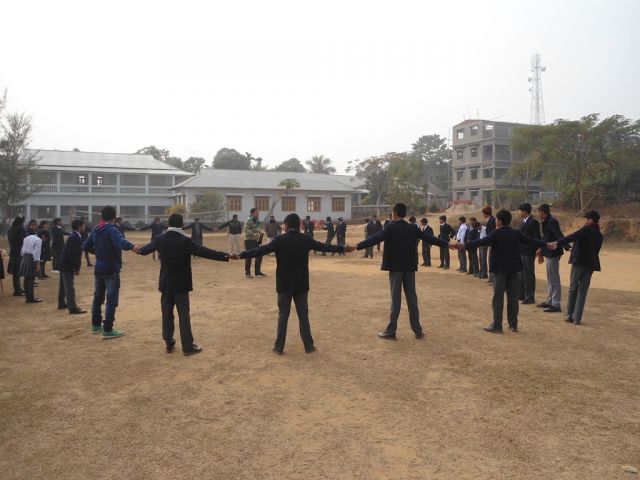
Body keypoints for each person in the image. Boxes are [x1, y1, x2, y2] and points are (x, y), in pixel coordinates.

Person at [239, 213, 354, 354]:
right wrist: (343, 248)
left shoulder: (279, 240)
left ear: (286, 225)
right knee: (303, 316)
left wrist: (241, 255)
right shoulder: (305, 239)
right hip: (301, 284)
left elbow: (260, 250)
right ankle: (309, 346)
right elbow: (324, 247)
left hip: (284, 284)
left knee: (283, 316)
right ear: (299, 225)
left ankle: (279, 347)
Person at [138, 213, 237, 355]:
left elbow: (144, 250)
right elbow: (204, 251)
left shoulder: (160, 239)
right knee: (183, 315)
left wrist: (135, 248)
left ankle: (168, 342)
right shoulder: (184, 240)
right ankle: (187, 346)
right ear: (182, 224)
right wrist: (225, 255)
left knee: (167, 314)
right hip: (181, 283)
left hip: (166, 283)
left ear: (168, 224)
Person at [356, 203, 452, 340]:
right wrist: (447, 244)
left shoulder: (391, 228)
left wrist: (357, 246)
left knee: (396, 299)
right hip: (409, 267)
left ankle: (391, 331)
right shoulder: (412, 228)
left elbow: (375, 239)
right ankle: (417, 330)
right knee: (412, 298)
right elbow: (429, 238)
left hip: (396, 268)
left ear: (394, 213)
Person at [458, 209, 548, 333]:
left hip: (499, 270)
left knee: (498, 298)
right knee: (513, 298)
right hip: (514, 269)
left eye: (496, 220)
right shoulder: (516, 233)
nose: (495, 221)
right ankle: (513, 324)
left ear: (499, 221)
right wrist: (546, 244)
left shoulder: (496, 233)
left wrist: (464, 245)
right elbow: (531, 240)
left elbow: (481, 242)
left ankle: (497, 325)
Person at [84, 206, 137, 339]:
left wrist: (98, 252)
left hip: (99, 268)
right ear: (114, 217)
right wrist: (132, 247)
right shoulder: (112, 229)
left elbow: (86, 246)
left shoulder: (96, 228)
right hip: (111, 269)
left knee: (98, 298)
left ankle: (96, 325)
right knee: (111, 300)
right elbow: (121, 242)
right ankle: (108, 328)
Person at [549, 210, 603, 326]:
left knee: (573, 288)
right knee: (583, 291)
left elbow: (572, 237)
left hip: (579, 262)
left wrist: (557, 242)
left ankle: (569, 315)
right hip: (590, 265)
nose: (585, 222)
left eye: (586, 219)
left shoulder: (586, 229)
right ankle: (577, 318)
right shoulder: (599, 235)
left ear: (591, 220)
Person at [536, 204, 565, 313]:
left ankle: (556, 303)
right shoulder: (545, 221)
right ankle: (550, 300)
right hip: (548, 252)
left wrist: (566, 246)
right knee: (550, 278)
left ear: (543, 212)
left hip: (553, 252)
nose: (538, 214)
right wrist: (541, 248)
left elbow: (559, 235)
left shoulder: (552, 221)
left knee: (554, 278)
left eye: (538, 212)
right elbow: (546, 237)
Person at [57, 219, 87, 314]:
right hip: (67, 264)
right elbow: (74, 255)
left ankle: (61, 303)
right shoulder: (75, 237)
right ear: (79, 227)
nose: (85, 227)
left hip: (64, 263)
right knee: (69, 286)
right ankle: (73, 307)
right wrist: (76, 268)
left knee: (63, 285)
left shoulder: (74, 236)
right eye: (83, 225)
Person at [517, 203, 541, 304]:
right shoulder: (524, 221)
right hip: (522, 251)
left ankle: (530, 296)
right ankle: (522, 294)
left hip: (529, 251)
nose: (519, 213)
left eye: (520, 211)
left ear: (525, 211)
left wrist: (538, 249)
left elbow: (537, 237)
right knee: (521, 274)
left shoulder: (533, 222)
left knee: (528, 274)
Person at [20, 219, 43, 303]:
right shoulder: (38, 240)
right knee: (31, 279)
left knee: (27, 279)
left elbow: (22, 251)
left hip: (25, 258)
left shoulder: (26, 238)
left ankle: (28, 297)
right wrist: (38, 264)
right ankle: (30, 299)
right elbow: (37, 253)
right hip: (31, 259)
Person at [7, 215, 26, 296]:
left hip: (12, 252)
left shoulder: (11, 229)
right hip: (19, 253)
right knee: (18, 272)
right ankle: (17, 290)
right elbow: (24, 239)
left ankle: (17, 288)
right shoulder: (21, 229)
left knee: (15, 273)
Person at [243, 208, 265, 278]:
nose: (258, 214)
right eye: (256, 212)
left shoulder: (257, 220)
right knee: (249, 256)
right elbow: (246, 230)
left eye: (258, 212)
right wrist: (254, 234)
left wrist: (260, 232)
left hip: (256, 241)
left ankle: (257, 272)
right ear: (252, 213)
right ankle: (247, 273)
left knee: (259, 254)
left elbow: (257, 228)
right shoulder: (248, 221)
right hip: (249, 241)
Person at [482, 205, 497, 284]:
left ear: (486, 213)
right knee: (490, 260)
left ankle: (493, 279)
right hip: (490, 243)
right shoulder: (490, 220)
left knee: (492, 261)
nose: (483, 215)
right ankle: (491, 278)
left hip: (492, 244)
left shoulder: (492, 220)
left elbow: (493, 232)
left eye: (483, 213)